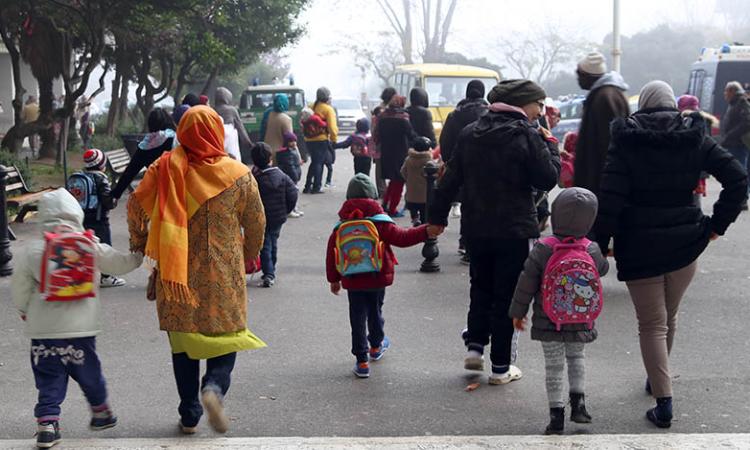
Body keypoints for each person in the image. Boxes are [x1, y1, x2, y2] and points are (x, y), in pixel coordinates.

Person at [594, 81, 747, 429]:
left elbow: (610, 200)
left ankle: (663, 402)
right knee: (669, 316)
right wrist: (715, 225)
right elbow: (738, 179)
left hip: (638, 244)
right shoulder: (693, 136)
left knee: (651, 323)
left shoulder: (625, 141)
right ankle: (657, 377)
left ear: (643, 105)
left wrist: (598, 248)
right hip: (686, 243)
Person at [127, 105, 267, 434]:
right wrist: (248, 254)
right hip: (224, 274)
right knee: (227, 337)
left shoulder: (163, 169)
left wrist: (143, 242)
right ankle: (214, 389)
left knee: (184, 344)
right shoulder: (238, 175)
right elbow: (257, 222)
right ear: (217, 131)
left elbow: (135, 206)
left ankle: (189, 413)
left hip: (176, 276)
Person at [428, 79, 561, 385]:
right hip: (515, 230)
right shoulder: (528, 134)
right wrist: (550, 145)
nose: (541, 112)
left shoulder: (470, 132)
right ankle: (501, 367)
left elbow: (449, 179)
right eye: (538, 105)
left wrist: (437, 218)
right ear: (523, 104)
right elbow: (548, 177)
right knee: (507, 297)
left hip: (477, 227)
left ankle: (475, 351)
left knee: (480, 289)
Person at [11, 189, 143, 449]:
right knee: (88, 370)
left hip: (43, 330)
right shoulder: (88, 244)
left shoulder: (33, 249)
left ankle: (47, 424)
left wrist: (24, 309)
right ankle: (101, 411)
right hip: (80, 329)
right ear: (76, 214)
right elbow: (119, 264)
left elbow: (20, 288)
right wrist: (139, 255)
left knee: (49, 377)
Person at [510, 187, 609, 435]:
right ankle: (579, 404)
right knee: (577, 359)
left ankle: (556, 416)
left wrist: (518, 312)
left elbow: (526, 282)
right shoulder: (591, 249)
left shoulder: (544, 248)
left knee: (553, 367)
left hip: (548, 320)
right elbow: (603, 269)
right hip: (580, 319)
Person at [326, 174, 440, 378]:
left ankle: (361, 361)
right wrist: (426, 231)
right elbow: (403, 238)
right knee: (375, 310)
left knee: (357, 317)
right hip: (377, 276)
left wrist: (334, 279)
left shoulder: (341, 226)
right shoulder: (379, 222)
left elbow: (331, 253)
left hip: (352, 279)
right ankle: (376, 346)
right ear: (373, 196)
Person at [439, 80, 489, 259]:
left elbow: (445, 141)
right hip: (486, 165)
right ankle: (479, 243)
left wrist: (450, 162)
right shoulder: (489, 113)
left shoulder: (455, 115)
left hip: (462, 165)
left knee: (467, 203)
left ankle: (465, 242)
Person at [573, 52, 629, 197]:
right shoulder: (604, 94)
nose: (578, 78)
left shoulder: (605, 97)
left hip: (602, 184)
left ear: (588, 75)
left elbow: (608, 145)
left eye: (579, 74)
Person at [251, 142, 298, 287]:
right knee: (273, 241)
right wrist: (287, 210)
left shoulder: (255, 179)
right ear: (270, 158)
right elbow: (293, 193)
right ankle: (272, 269)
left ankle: (269, 274)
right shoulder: (282, 176)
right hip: (278, 218)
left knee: (265, 245)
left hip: (262, 218)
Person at [76, 149, 124, 288]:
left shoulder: (81, 176)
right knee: (105, 248)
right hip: (99, 220)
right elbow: (107, 201)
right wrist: (114, 200)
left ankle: (80, 276)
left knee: (83, 247)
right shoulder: (100, 178)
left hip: (82, 218)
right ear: (101, 164)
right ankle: (106, 277)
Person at [112, 108, 176, 200]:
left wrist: (115, 194)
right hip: (177, 187)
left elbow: (130, 171)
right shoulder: (176, 139)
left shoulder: (147, 143)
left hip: (156, 191)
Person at [375, 95, 415, 217]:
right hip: (400, 152)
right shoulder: (403, 117)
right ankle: (392, 209)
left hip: (386, 152)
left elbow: (377, 134)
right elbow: (410, 133)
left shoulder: (382, 116)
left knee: (393, 180)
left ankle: (385, 204)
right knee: (399, 180)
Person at [678, 95, 720, 207]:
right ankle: (696, 219)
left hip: (689, 165)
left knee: (688, 198)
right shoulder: (704, 120)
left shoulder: (686, 120)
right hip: (701, 166)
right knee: (696, 198)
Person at [719, 81, 750, 210]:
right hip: (733, 143)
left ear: (732, 91)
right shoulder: (734, 103)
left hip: (739, 143)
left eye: (726, 91)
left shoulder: (742, 103)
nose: (724, 94)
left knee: (740, 172)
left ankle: (742, 198)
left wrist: (731, 135)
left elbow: (747, 121)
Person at [303, 87, 338, 194]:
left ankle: (308, 186)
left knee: (314, 162)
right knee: (318, 163)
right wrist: (334, 139)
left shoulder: (310, 106)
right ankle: (316, 187)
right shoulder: (328, 109)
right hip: (321, 140)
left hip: (308, 139)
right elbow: (332, 128)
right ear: (327, 97)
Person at [400, 136, 433, 226]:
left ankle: (415, 218)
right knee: (424, 210)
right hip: (425, 193)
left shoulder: (408, 159)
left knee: (413, 206)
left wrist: (408, 179)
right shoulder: (429, 161)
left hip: (412, 191)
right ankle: (423, 222)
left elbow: (403, 171)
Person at [214, 87, 253, 164]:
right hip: (230, 146)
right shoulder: (232, 110)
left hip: (217, 145)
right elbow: (241, 128)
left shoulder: (212, 110)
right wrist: (249, 144)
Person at [371, 87, 397, 197]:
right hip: (382, 142)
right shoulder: (381, 110)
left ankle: (385, 191)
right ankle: (383, 192)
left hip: (381, 142)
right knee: (381, 167)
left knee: (381, 167)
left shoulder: (385, 109)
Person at [275, 131, 305, 218]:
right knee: (291, 195)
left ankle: (295, 209)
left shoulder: (292, 150)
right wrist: (295, 176)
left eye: (295, 141)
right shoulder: (286, 153)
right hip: (291, 177)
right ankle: (290, 210)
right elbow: (290, 166)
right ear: (286, 142)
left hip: (294, 176)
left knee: (294, 194)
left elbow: (295, 163)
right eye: (291, 141)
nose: (294, 143)